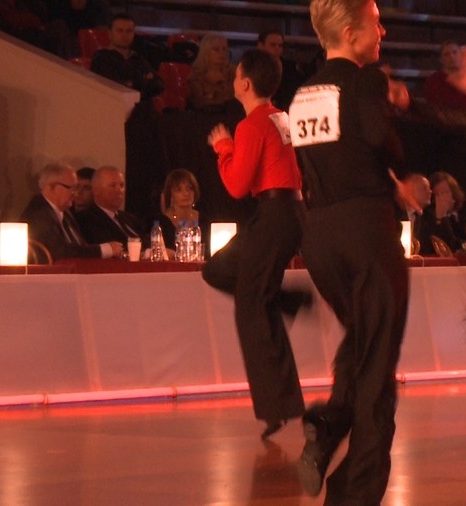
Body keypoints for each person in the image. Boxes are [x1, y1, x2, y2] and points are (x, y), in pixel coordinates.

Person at [289, 1, 440, 503]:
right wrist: (401, 163)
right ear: (353, 33)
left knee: (364, 343)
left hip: (320, 237)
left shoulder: (303, 93)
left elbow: (334, 155)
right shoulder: (366, 79)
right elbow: (377, 138)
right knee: (377, 377)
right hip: (367, 235)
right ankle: (353, 492)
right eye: (376, 22)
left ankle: (329, 426)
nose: (383, 30)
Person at [202, 48, 307, 440]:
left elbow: (236, 185)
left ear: (244, 84)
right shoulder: (281, 117)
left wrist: (223, 147)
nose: (234, 80)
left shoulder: (252, 124)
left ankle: (278, 408)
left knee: (251, 309)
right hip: (289, 214)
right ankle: (287, 300)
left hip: (275, 215)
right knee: (219, 270)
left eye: (236, 76)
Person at [20, 162, 123, 261]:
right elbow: (59, 251)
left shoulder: (65, 212)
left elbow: (80, 245)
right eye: (71, 188)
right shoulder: (39, 213)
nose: (75, 193)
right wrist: (103, 250)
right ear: (51, 187)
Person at [89, 13, 164, 100]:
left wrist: (132, 83)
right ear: (110, 33)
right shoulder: (101, 58)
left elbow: (159, 84)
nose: (124, 35)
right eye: (120, 31)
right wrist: (143, 82)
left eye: (129, 31)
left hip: (142, 105)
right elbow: (115, 86)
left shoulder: (137, 58)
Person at [417, 171, 466, 255]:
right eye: (437, 194)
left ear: (453, 192)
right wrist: (442, 216)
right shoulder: (429, 214)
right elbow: (448, 245)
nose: (443, 197)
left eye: (445, 192)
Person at [76, 165, 148, 249]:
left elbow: (146, 240)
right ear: (96, 190)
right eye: (113, 185)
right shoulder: (86, 220)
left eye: (121, 185)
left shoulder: (129, 218)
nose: (119, 190)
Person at [257, 29, 308, 111]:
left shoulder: (290, 69)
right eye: (273, 45)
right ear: (261, 46)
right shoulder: (252, 68)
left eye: (280, 46)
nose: (277, 49)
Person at [187, 34, 236, 110]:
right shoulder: (196, 76)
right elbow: (199, 103)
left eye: (224, 49)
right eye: (216, 49)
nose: (222, 52)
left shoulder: (234, 72)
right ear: (205, 53)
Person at [423, 40, 466, 111]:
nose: (452, 57)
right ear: (441, 60)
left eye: (455, 52)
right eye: (446, 54)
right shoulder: (433, 81)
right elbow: (435, 107)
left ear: (461, 55)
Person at [157, 168, 201, 251]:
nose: (186, 193)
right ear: (171, 194)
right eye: (179, 190)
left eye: (190, 188)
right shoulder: (163, 223)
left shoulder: (204, 219)